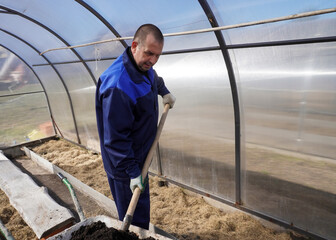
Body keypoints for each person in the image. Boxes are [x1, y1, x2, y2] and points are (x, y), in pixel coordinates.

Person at [95, 24, 175, 230]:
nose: (153, 60)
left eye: (158, 55)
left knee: (141, 208)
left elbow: (153, 78)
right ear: (134, 46)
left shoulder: (142, 66)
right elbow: (115, 140)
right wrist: (132, 172)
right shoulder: (118, 86)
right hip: (124, 163)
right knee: (134, 216)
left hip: (138, 156)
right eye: (149, 53)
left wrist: (163, 91)